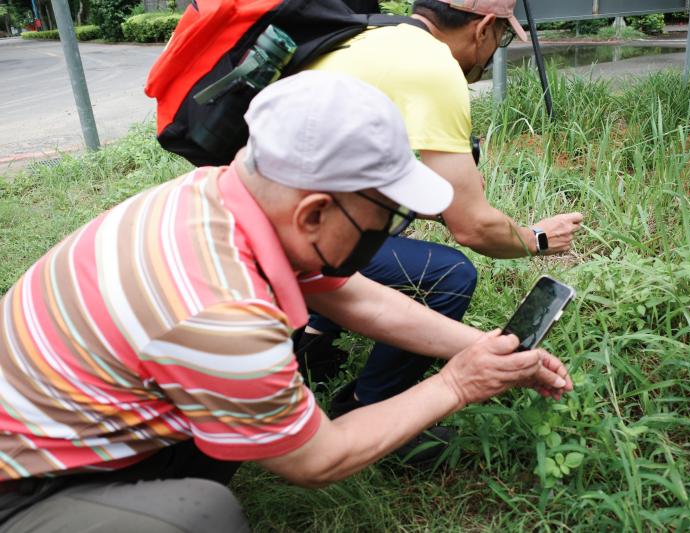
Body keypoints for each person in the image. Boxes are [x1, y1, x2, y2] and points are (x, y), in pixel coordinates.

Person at [0, 72, 573, 532]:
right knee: (203, 514)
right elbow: (317, 459)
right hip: (21, 488)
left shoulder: (218, 195)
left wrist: (486, 350)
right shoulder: (221, 309)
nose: (393, 233)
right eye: (386, 220)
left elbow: (357, 299)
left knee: (238, 427)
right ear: (314, 213)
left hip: (59, 418)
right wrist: (456, 384)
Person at [298, 0, 584, 425]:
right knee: (449, 276)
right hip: (298, 232)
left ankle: (311, 342)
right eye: (502, 38)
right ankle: (372, 405)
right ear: (483, 27)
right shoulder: (434, 67)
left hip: (270, 207)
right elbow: (471, 228)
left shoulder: (373, 36)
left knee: (396, 201)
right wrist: (537, 239)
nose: (493, 52)